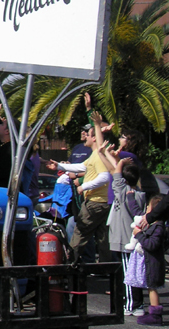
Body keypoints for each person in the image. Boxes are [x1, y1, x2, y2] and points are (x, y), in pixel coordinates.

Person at [46, 111, 112, 263]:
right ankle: (106, 268)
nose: (85, 137)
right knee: (102, 237)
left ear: (94, 137)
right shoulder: (95, 155)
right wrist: (59, 166)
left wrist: (84, 187)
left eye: (88, 134)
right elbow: (81, 166)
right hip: (101, 202)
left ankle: (71, 264)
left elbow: (104, 177)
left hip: (95, 202)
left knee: (80, 233)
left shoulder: (99, 155)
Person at [100, 147, 146, 316]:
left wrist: (120, 160)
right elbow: (116, 171)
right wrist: (115, 158)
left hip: (125, 240)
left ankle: (132, 305)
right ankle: (134, 303)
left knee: (128, 275)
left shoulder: (123, 191)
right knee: (130, 272)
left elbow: (116, 172)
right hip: (128, 239)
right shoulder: (138, 192)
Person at [133, 195, 166, 325]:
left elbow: (151, 245)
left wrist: (139, 235)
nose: (146, 208)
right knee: (150, 287)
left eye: (148, 207)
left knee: (152, 288)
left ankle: (155, 316)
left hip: (153, 263)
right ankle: (153, 314)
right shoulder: (154, 225)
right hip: (151, 262)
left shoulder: (158, 227)